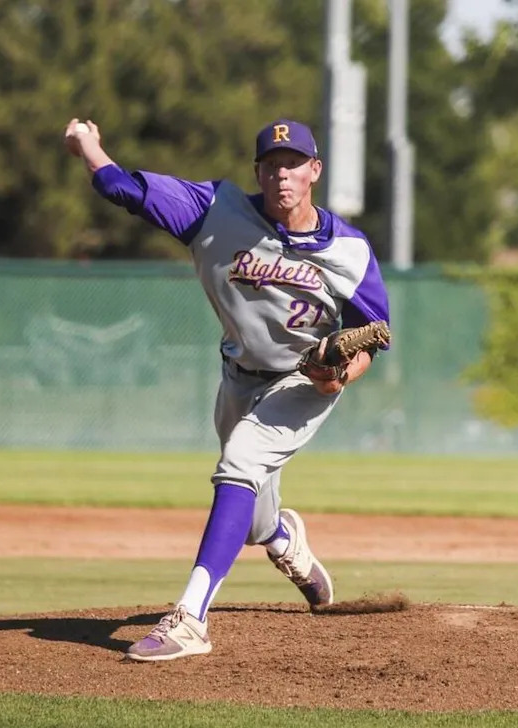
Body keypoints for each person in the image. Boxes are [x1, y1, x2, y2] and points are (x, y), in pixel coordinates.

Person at [64, 116, 391, 662]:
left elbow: (370, 340)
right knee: (253, 517)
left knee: (238, 467)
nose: (282, 175)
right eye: (271, 165)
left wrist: (338, 374)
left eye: (293, 164)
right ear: (257, 173)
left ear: (315, 170)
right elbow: (124, 189)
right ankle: (284, 540)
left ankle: (190, 619)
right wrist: (88, 146)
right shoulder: (215, 212)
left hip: (302, 382)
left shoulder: (349, 250)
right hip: (239, 377)